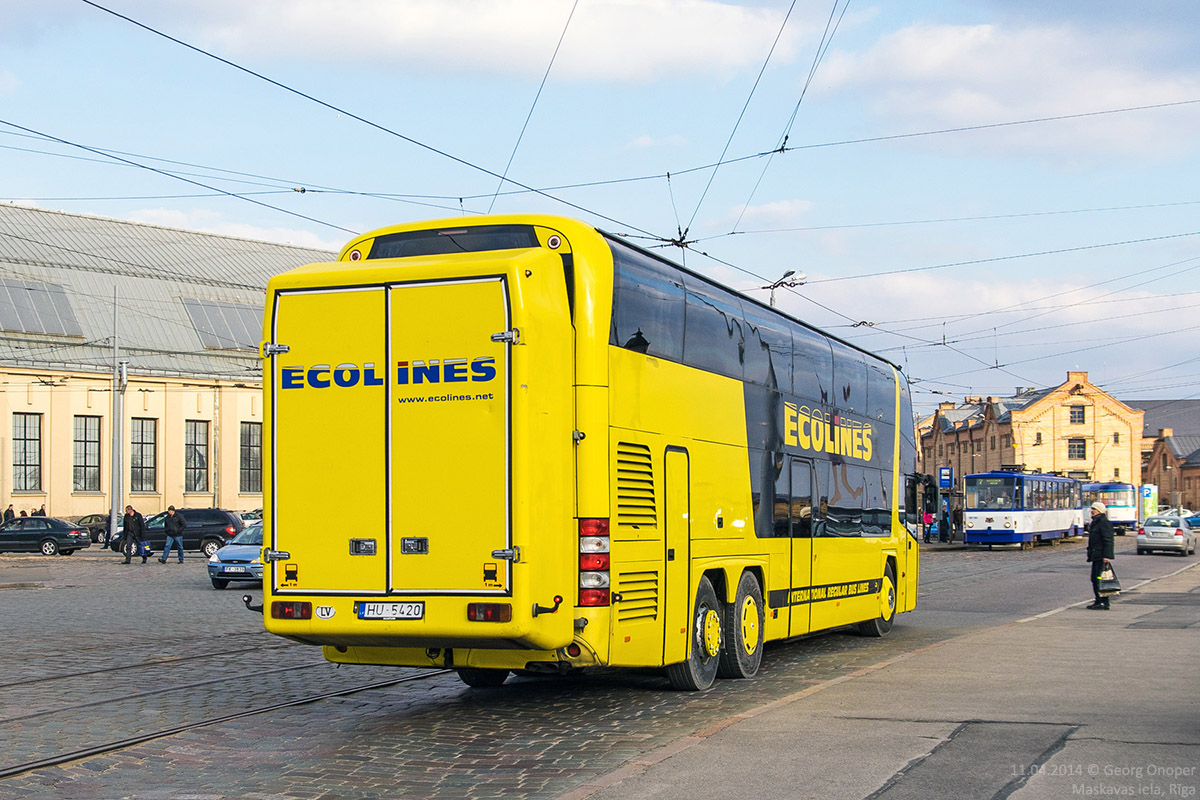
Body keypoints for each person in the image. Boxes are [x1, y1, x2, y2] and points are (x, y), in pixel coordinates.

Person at [1086, 501, 1115, 610]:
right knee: (1096, 578)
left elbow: (1108, 540)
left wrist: (1107, 556)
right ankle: (1099, 600)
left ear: (1099, 511)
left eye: (1094, 509)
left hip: (1101, 556)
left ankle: (1103, 601)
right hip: (1096, 555)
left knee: (1099, 578)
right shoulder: (1095, 522)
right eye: (1092, 509)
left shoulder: (1103, 523)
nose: (1092, 511)